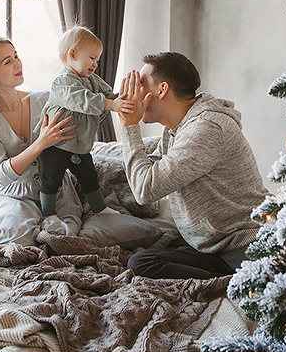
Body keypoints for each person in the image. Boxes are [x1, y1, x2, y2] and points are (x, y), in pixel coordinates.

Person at [114, 51, 268, 280]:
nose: (133, 95)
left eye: (140, 85)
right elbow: (148, 170)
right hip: (210, 246)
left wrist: (128, 126)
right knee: (140, 260)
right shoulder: (176, 130)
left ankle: (233, 283)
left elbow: (144, 189)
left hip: (244, 246)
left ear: (162, 90)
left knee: (143, 265)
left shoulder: (207, 128)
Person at [0, 36, 81, 244]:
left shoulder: (45, 99)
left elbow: (83, 118)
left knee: (66, 236)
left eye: (16, 56)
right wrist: (40, 144)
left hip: (57, 192)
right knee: (15, 236)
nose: (18, 63)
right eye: (7, 61)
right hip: (14, 197)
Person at [39, 26, 133, 218]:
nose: (95, 64)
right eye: (92, 58)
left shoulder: (93, 79)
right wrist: (110, 105)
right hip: (56, 144)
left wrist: (122, 99)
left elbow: (109, 96)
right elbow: (82, 100)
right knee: (51, 179)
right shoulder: (62, 82)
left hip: (80, 145)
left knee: (90, 176)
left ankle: (100, 209)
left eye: (97, 60)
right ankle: (48, 213)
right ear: (72, 54)